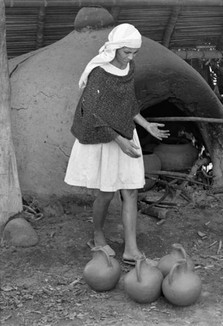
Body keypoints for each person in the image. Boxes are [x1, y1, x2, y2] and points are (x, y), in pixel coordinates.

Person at [64, 23, 169, 265]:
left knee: (130, 190)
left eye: (134, 53)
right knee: (106, 193)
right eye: (126, 52)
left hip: (124, 134)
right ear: (114, 49)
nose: (130, 57)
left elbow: (128, 104)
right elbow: (90, 113)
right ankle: (98, 235)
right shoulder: (99, 72)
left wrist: (146, 126)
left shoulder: (129, 68)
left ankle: (131, 250)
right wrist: (119, 140)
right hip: (103, 136)